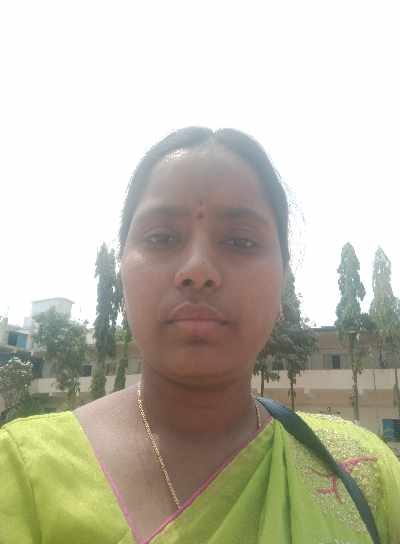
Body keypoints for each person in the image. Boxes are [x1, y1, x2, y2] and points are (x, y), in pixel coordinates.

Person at [1, 127, 399, 544]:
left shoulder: (361, 477)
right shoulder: (20, 470)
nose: (197, 269)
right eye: (162, 238)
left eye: (241, 241)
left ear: (282, 283)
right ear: (121, 275)